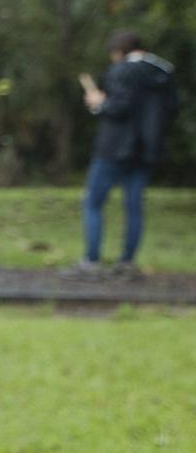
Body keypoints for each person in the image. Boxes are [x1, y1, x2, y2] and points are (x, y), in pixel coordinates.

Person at [74, 31, 178, 276]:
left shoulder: (122, 71)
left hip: (114, 148)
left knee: (93, 202)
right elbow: (171, 109)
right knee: (134, 206)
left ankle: (91, 261)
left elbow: (119, 107)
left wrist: (100, 103)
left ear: (119, 52)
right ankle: (126, 262)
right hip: (145, 150)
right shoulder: (163, 71)